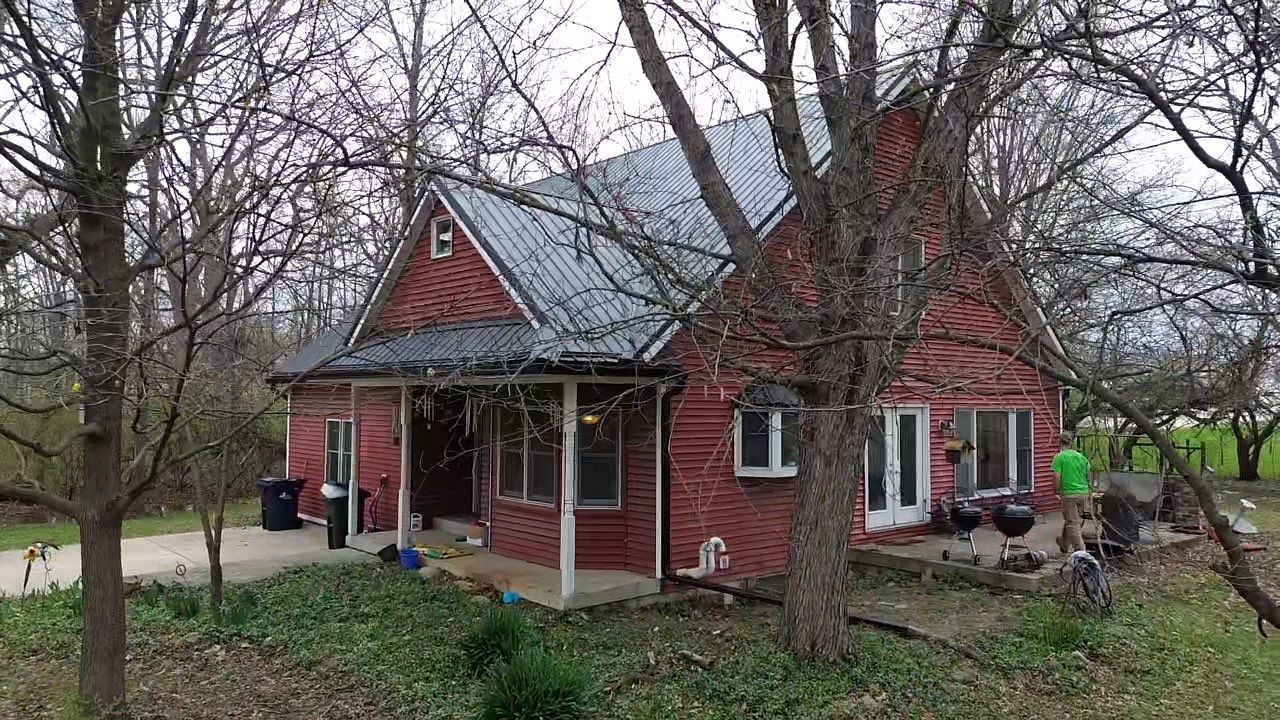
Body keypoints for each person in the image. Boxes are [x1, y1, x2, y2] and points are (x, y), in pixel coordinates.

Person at [1052, 431, 1091, 553]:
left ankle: (1081, 551)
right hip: (1083, 493)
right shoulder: (1082, 457)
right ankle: (1064, 544)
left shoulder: (1059, 457)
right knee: (1072, 518)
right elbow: (1087, 474)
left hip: (1070, 494)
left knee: (1072, 522)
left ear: (1060, 442)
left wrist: (1056, 491)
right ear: (1071, 442)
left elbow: (1057, 477)